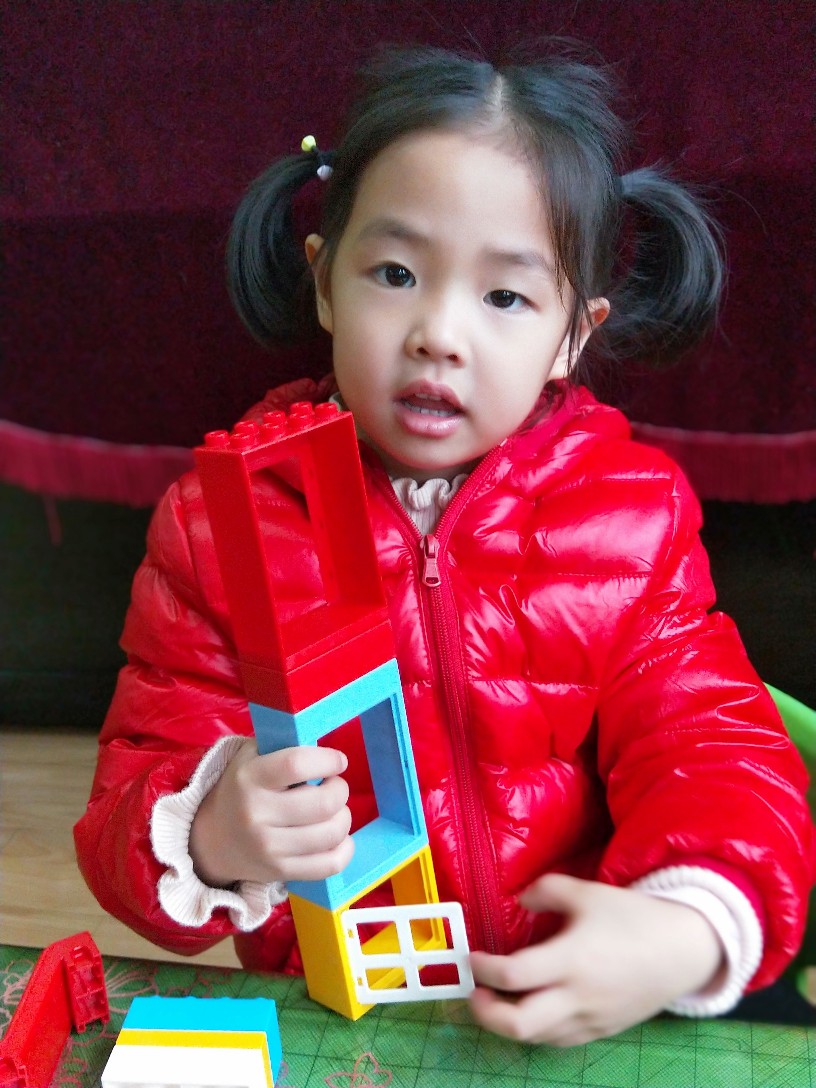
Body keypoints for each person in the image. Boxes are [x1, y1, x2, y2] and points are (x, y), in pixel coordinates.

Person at [74, 45, 814, 1046]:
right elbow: (128, 797)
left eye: (505, 297)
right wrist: (212, 828)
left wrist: (681, 926)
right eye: (395, 273)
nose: (438, 333)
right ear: (324, 282)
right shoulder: (219, 525)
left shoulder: (632, 516)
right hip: (346, 1018)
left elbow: (712, 746)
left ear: (573, 334)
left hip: (574, 1011)